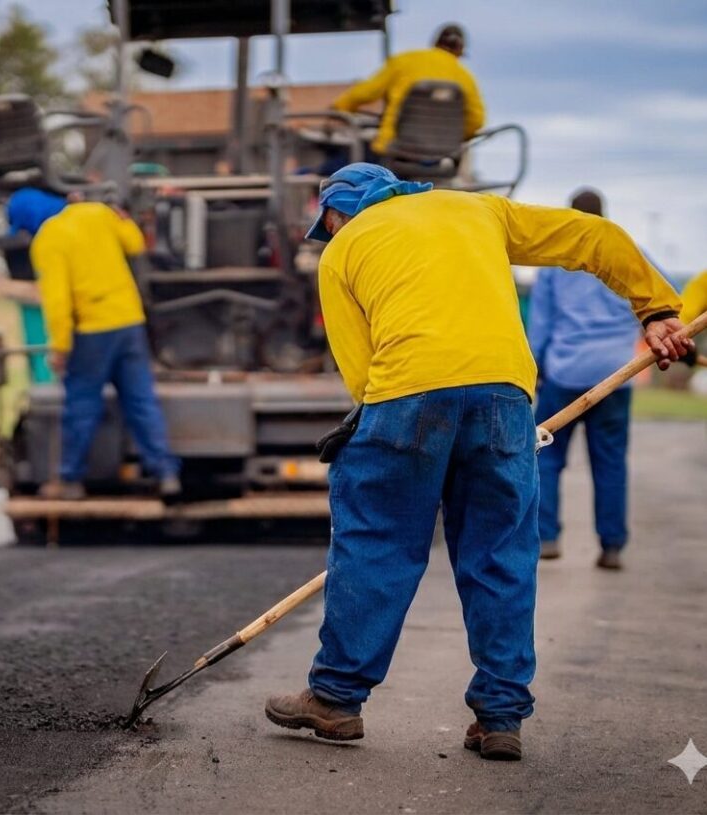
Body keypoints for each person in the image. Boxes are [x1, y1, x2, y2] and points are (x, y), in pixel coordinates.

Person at [264, 163, 689, 761]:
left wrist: (369, 435)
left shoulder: (343, 253)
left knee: (377, 542)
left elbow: (359, 371)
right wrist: (656, 310)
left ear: (341, 209)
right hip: (503, 398)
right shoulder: (478, 211)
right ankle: (500, 716)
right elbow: (599, 237)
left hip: (404, 395)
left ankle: (335, 700)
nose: (327, 233)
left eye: (326, 222)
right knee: (501, 552)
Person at [526, 189, 654, 569]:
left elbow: (542, 323)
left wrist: (535, 369)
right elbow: (664, 296)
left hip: (565, 373)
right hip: (617, 374)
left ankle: (547, 537)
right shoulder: (630, 251)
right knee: (611, 461)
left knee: (545, 458)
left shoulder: (556, 262)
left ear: (570, 216)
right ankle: (612, 546)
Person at [29, 199, 181, 501]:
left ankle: (70, 479)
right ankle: (166, 474)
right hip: (129, 321)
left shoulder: (48, 237)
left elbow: (58, 301)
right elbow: (136, 243)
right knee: (141, 402)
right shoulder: (99, 213)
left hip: (93, 330)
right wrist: (124, 219)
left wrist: (59, 347)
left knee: (82, 404)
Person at [331, 23, 485, 158]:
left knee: (342, 162)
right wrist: (449, 137)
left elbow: (365, 93)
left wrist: (340, 107)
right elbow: (476, 121)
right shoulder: (465, 77)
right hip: (440, 156)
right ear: (460, 50)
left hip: (393, 149)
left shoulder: (405, 60)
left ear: (435, 43)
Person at [5, 187, 68, 384]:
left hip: (42, 309)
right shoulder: (54, 231)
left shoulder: (16, 240)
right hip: (48, 308)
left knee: (39, 355)